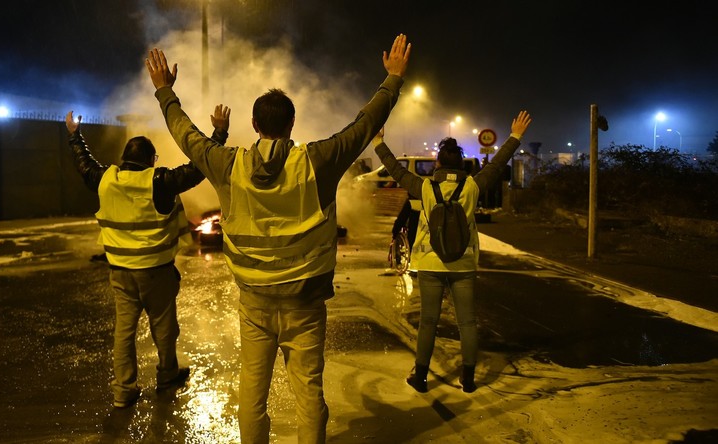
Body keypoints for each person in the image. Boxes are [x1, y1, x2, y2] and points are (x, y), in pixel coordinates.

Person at [144, 34, 411, 444]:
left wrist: (165, 91)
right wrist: (391, 79)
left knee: (252, 394)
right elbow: (364, 126)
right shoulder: (317, 161)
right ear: (291, 124)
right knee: (308, 395)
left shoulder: (227, 163)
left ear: (254, 125)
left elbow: (187, 135)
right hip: (305, 303)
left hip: (255, 303)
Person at [63, 107, 230, 408]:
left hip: (121, 273)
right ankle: (167, 376)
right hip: (156, 273)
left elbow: (83, 164)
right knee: (164, 329)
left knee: (123, 334)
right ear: (151, 160)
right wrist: (218, 134)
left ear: (126, 158)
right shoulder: (160, 181)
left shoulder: (105, 179)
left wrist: (75, 135)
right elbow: (199, 168)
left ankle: (123, 391)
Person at [372, 110, 532, 394]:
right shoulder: (472, 186)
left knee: (428, 322)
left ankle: (420, 377)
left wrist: (379, 143)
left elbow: (395, 170)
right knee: (467, 322)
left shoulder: (425, 187)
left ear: (437, 163)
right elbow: (497, 165)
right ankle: (468, 379)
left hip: (431, 263)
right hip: (463, 263)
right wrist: (515, 136)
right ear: (461, 164)